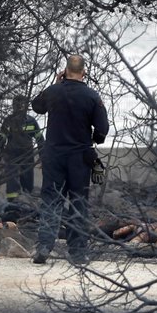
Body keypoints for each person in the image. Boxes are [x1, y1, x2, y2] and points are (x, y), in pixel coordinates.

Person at [30, 55, 109, 264]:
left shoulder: (54, 92)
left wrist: (55, 84)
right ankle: (77, 253)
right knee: (78, 204)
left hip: (54, 155)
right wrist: (93, 139)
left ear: (64, 71)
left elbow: (37, 106)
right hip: (79, 158)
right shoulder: (92, 96)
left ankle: (45, 246)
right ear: (84, 73)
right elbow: (102, 129)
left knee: (51, 201)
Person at [0, 95, 44, 200]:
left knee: (28, 179)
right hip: (12, 154)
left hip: (27, 155)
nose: (19, 108)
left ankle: (27, 200)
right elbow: (2, 137)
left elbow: (40, 139)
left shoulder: (31, 121)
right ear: (13, 106)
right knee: (12, 179)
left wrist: (42, 157)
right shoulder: (8, 121)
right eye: (17, 105)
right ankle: (12, 202)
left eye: (21, 105)